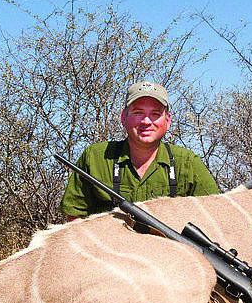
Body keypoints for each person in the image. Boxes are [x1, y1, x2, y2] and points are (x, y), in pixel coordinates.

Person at [60, 81, 220, 219]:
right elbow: (75, 216)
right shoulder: (95, 157)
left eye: (155, 114)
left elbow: (215, 212)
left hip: (170, 251)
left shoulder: (187, 162)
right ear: (124, 117)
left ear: (168, 121)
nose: (146, 121)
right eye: (138, 113)